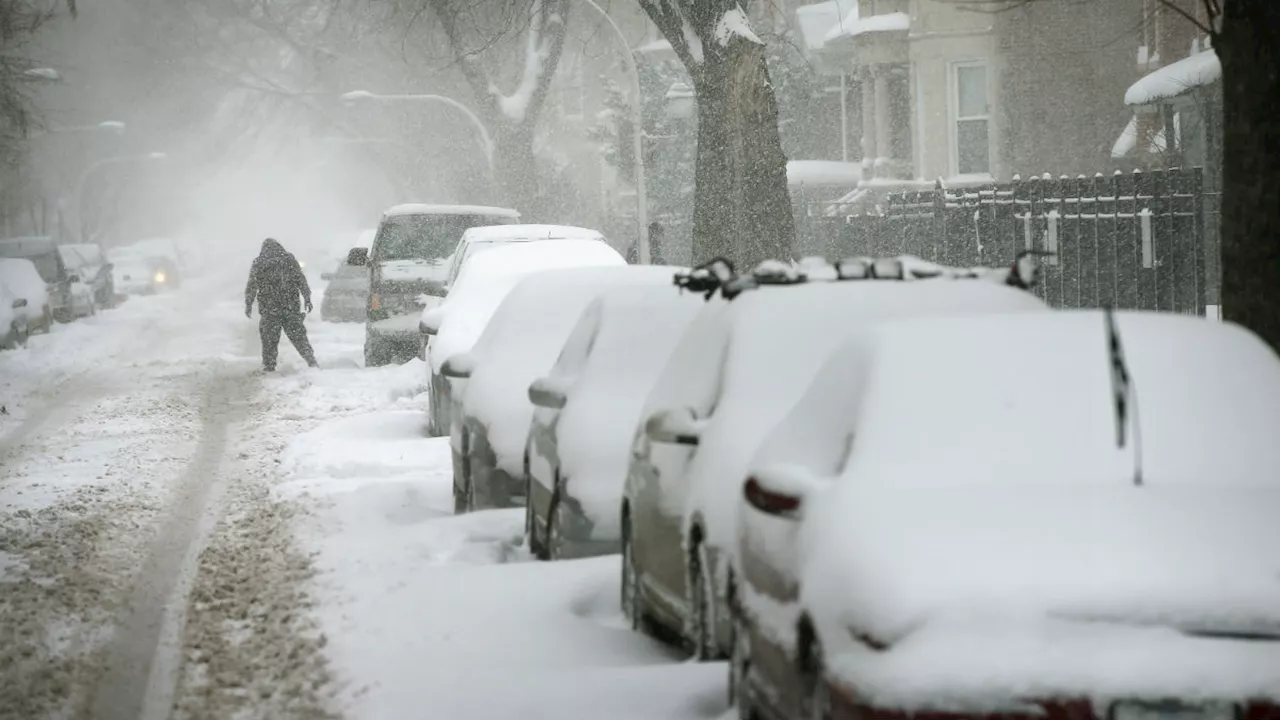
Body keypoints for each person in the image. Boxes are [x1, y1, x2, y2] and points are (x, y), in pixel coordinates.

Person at [244, 238, 319, 371]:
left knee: (269, 339)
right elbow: (300, 279)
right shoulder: (288, 259)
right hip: (290, 306)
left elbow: (252, 285)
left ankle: (269, 366)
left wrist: (249, 304)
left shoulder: (259, 262)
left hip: (269, 308)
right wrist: (307, 297)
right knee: (299, 336)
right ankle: (311, 360)